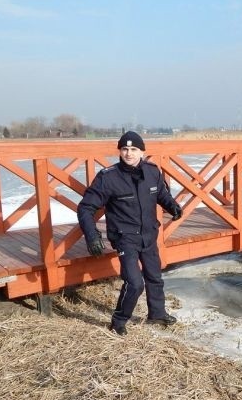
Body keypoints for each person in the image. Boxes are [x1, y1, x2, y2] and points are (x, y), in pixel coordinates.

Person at [78, 131, 183, 336]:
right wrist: (92, 236)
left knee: (154, 276)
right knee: (135, 283)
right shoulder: (108, 177)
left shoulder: (152, 172)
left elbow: (160, 193)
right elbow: (85, 208)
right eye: (124, 149)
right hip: (125, 237)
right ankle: (118, 321)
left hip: (149, 233)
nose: (128, 153)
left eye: (134, 149)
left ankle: (157, 314)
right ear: (120, 151)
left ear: (142, 152)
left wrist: (173, 206)